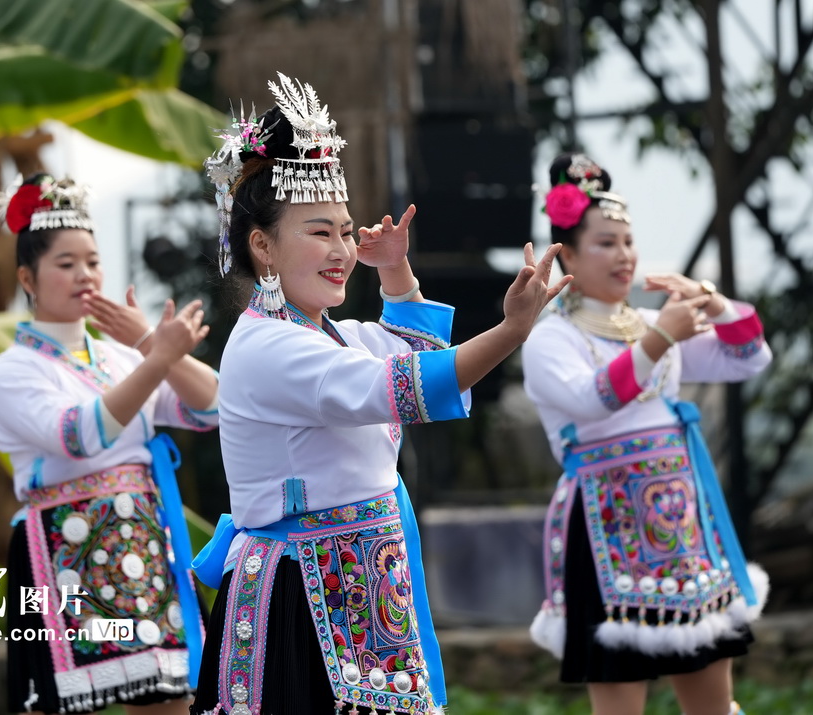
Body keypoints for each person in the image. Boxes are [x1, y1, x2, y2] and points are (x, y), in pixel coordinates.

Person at [188, 73, 570, 715]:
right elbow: (409, 388)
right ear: (263, 246)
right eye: (319, 232)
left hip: (360, 580)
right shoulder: (267, 348)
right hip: (302, 589)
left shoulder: (332, 333)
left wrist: (395, 269)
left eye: (345, 231)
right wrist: (511, 330)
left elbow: (411, 353)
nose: (341, 250)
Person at [524, 153, 772, 715]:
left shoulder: (651, 330)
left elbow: (749, 357)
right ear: (567, 253)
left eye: (629, 242)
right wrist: (662, 335)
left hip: (682, 523)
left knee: (713, 701)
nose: (625, 255)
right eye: (606, 243)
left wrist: (713, 301)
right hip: (605, 524)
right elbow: (595, 398)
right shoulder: (550, 340)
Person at [0, 173, 220, 715]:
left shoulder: (120, 358)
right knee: (57, 703)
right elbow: (81, 435)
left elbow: (212, 408)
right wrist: (158, 358)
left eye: (92, 261)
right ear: (28, 278)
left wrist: (147, 344)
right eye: (66, 264)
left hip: (141, 540)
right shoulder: (12, 370)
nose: (85, 274)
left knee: (169, 700)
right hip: (59, 547)